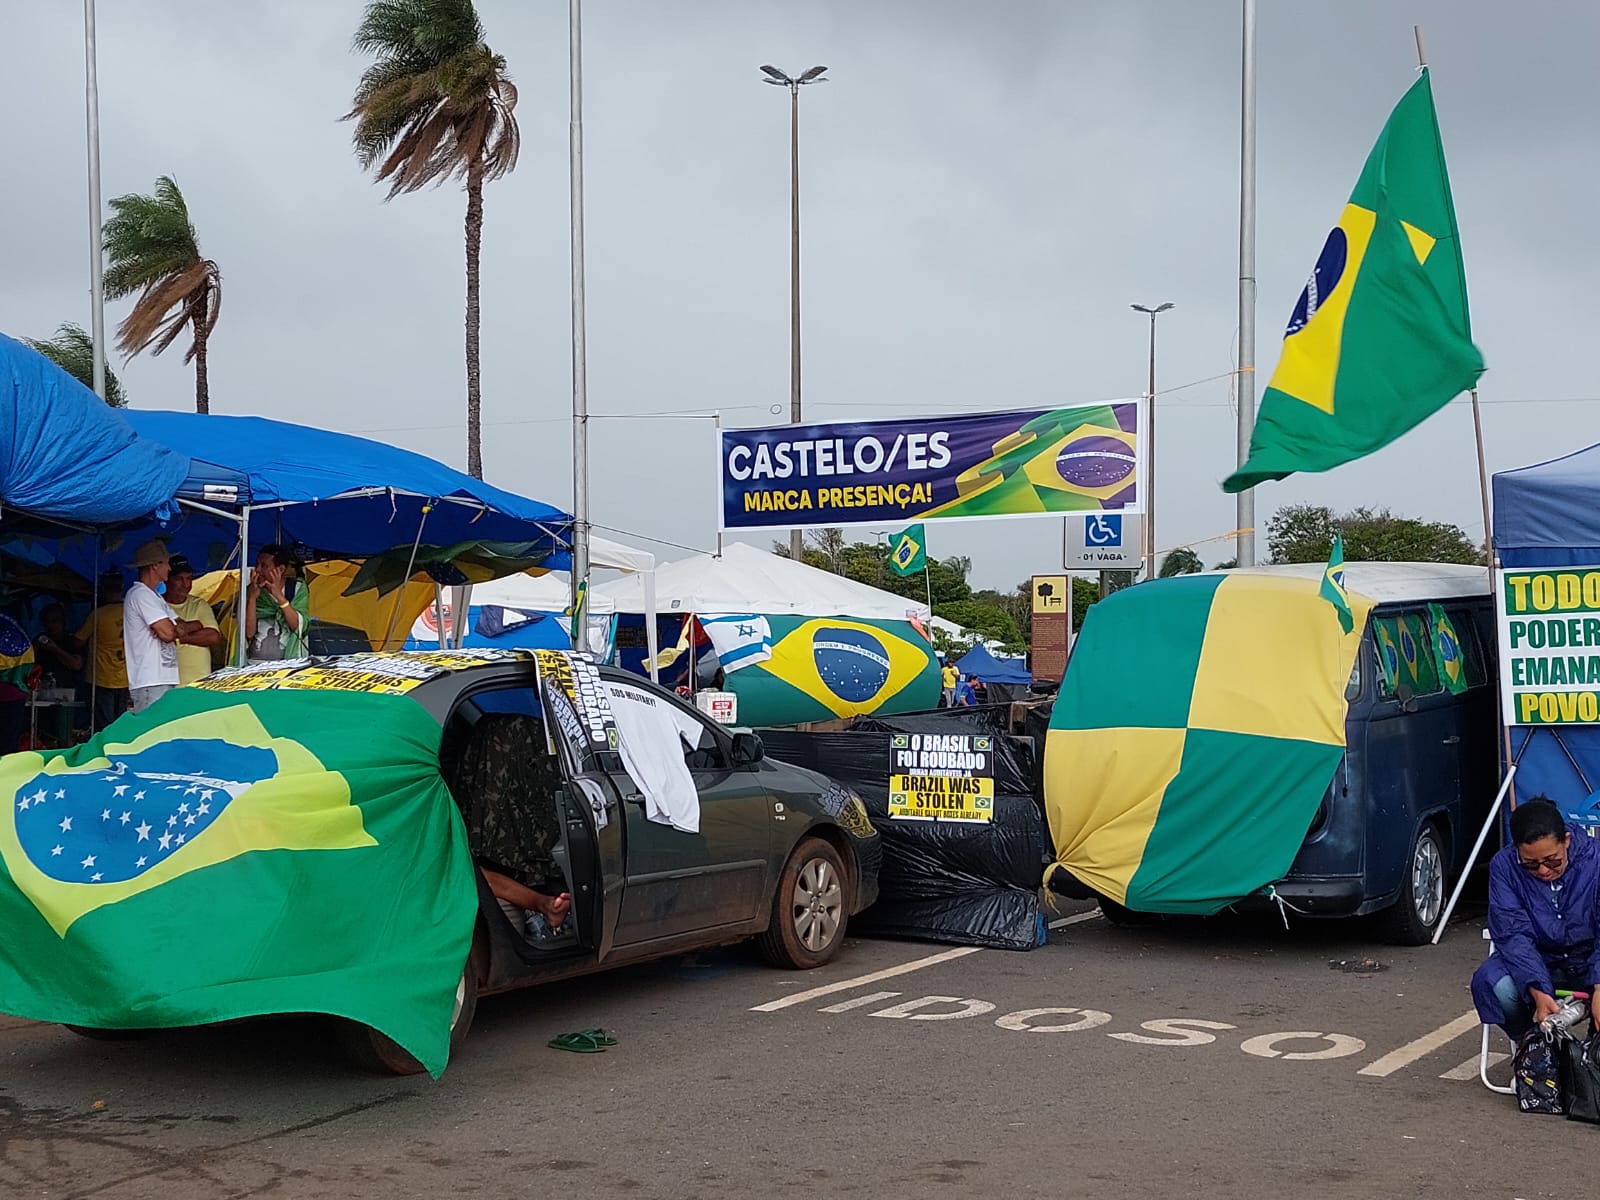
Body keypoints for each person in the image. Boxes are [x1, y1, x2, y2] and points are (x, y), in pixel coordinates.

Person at [1471, 796, 1600, 1040]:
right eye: (1530, 864)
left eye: (1552, 861)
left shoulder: (1596, 860)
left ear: (1567, 841)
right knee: (1491, 981)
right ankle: (1535, 1048)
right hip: (1542, 962)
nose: (1543, 870)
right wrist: (1538, 989)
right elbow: (1512, 934)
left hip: (1590, 960)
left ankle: (1593, 1054)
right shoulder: (1504, 866)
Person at [122, 541, 190, 713]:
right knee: (151, 734)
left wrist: (174, 629)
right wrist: (173, 629)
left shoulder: (154, 597)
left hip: (159, 680)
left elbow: (184, 626)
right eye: (166, 563)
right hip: (150, 681)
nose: (169, 568)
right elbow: (168, 633)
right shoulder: (140, 595)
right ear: (155, 565)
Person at [76, 570, 130, 730]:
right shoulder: (131, 611)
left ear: (103, 590)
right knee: (121, 725)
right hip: (125, 678)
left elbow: (78, 642)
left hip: (102, 677)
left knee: (104, 727)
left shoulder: (98, 615)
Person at [244, 544, 311, 661]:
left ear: (280, 569)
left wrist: (279, 596)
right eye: (257, 564)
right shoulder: (251, 590)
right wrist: (252, 598)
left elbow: (298, 626)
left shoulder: (297, 588)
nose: (258, 570)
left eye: (264, 566)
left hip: (289, 665)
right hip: (253, 665)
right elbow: (248, 633)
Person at [163, 556, 222, 685]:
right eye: (179, 579)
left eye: (189, 578)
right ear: (167, 579)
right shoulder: (157, 604)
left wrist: (179, 637)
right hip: (168, 685)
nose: (185, 584)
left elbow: (213, 636)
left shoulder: (199, 604)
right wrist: (196, 626)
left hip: (200, 684)